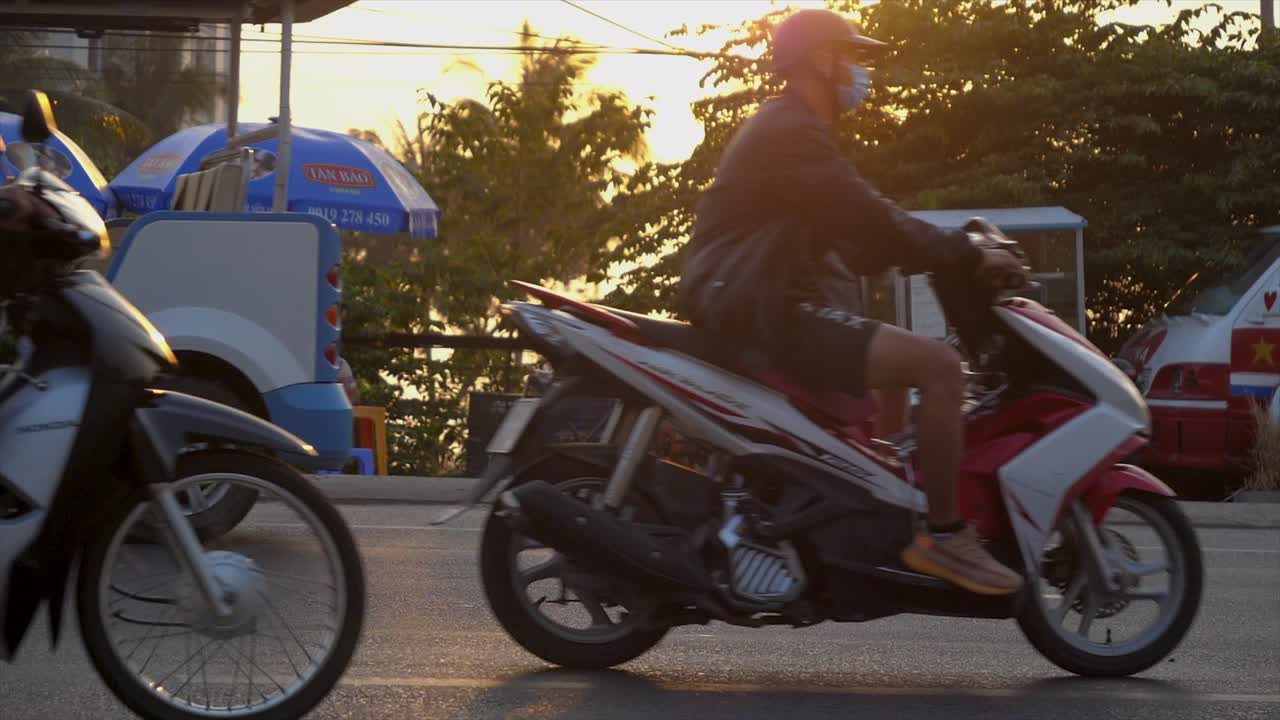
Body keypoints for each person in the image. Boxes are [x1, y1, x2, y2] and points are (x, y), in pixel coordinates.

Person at [679, 9, 1027, 595]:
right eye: (854, 57)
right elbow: (869, 219)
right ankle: (943, 537)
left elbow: (861, 236)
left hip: (758, 302)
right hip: (761, 309)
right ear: (822, 60)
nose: (862, 73)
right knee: (939, 368)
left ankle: (882, 504)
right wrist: (964, 255)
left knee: (895, 366)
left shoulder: (795, 129)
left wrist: (938, 250)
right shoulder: (792, 131)